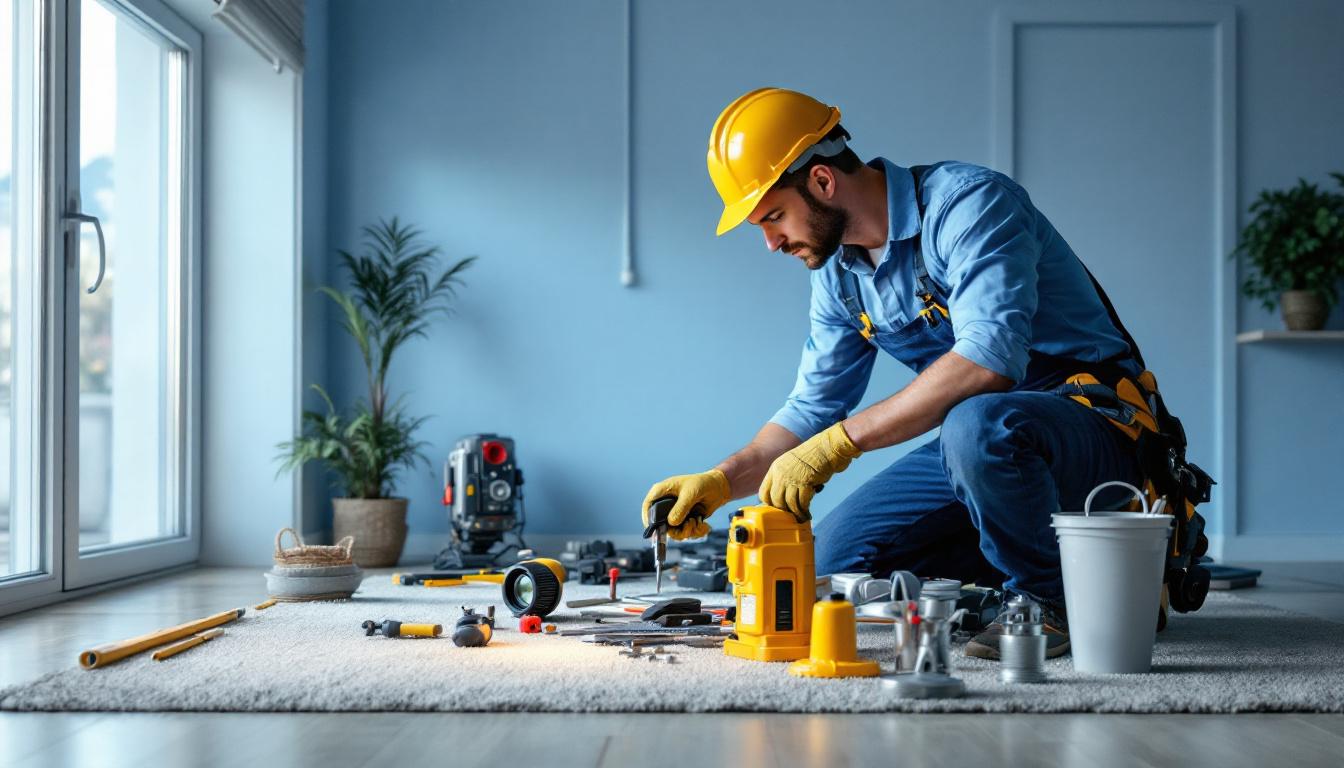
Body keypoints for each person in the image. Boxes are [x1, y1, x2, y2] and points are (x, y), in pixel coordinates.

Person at [641, 87, 1152, 660]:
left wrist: (840, 444)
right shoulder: (839, 275)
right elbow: (813, 408)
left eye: (774, 217)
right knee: (833, 562)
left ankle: (1047, 600)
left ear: (822, 181)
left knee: (976, 423)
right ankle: (1071, 573)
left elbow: (988, 360)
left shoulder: (970, 205)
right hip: (986, 442)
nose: (770, 242)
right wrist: (718, 481)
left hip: (1091, 425)